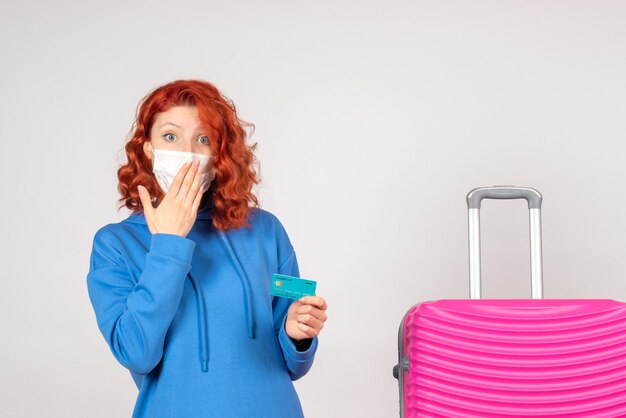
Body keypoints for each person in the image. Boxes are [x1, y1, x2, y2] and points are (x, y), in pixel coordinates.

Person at [85, 79, 328, 418]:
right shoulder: (115, 244)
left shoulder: (266, 230)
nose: (188, 152)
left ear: (218, 154)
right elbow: (136, 352)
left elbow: (294, 360)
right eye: (170, 136)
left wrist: (298, 334)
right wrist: (168, 244)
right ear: (147, 149)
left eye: (203, 139)